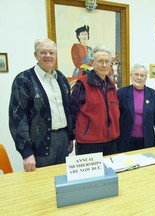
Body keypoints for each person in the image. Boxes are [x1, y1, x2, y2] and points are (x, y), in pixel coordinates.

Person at [9, 39, 73, 172]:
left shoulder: (60, 78)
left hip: (62, 139)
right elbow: (17, 118)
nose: (48, 56)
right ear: (35, 55)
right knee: (42, 185)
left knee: (63, 181)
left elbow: (68, 109)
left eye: (51, 52)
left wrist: (70, 137)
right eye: (43, 52)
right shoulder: (23, 80)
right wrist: (26, 152)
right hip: (40, 144)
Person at [70, 44, 120, 156]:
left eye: (107, 62)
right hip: (89, 143)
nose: (104, 65)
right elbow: (72, 112)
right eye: (100, 61)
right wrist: (71, 137)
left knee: (112, 173)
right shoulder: (82, 84)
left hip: (111, 142)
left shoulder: (111, 85)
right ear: (92, 63)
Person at [117, 64, 155, 153]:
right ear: (131, 76)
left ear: (146, 78)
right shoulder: (121, 93)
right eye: (136, 74)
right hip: (125, 140)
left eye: (142, 75)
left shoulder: (154, 95)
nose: (139, 78)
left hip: (146, 141)